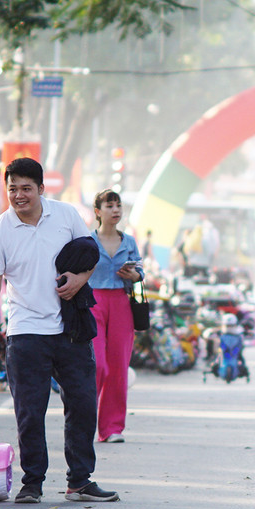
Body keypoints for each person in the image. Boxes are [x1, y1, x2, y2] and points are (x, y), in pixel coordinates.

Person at [0, 158, 118, 503]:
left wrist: (80, 280)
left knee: (83, 405)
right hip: (25, 333)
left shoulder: (65, 215)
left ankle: (80, 481)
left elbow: (90, 254)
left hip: (71, 329)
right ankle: (32, 483)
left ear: (41, 188)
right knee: (29, 411)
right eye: (12, 189)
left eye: (26, 188)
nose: (19, 195)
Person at [89, 189, 143, 443]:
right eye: (110, 206)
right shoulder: (87, 241)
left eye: (119, 205)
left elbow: (140, 268)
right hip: (94, 302)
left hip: (122, 302)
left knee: (118, 366)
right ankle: (85, 422)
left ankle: (112, 428)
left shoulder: (130, 241)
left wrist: (135, 275)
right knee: (97, 363)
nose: (116, 210)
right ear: (98, 212)